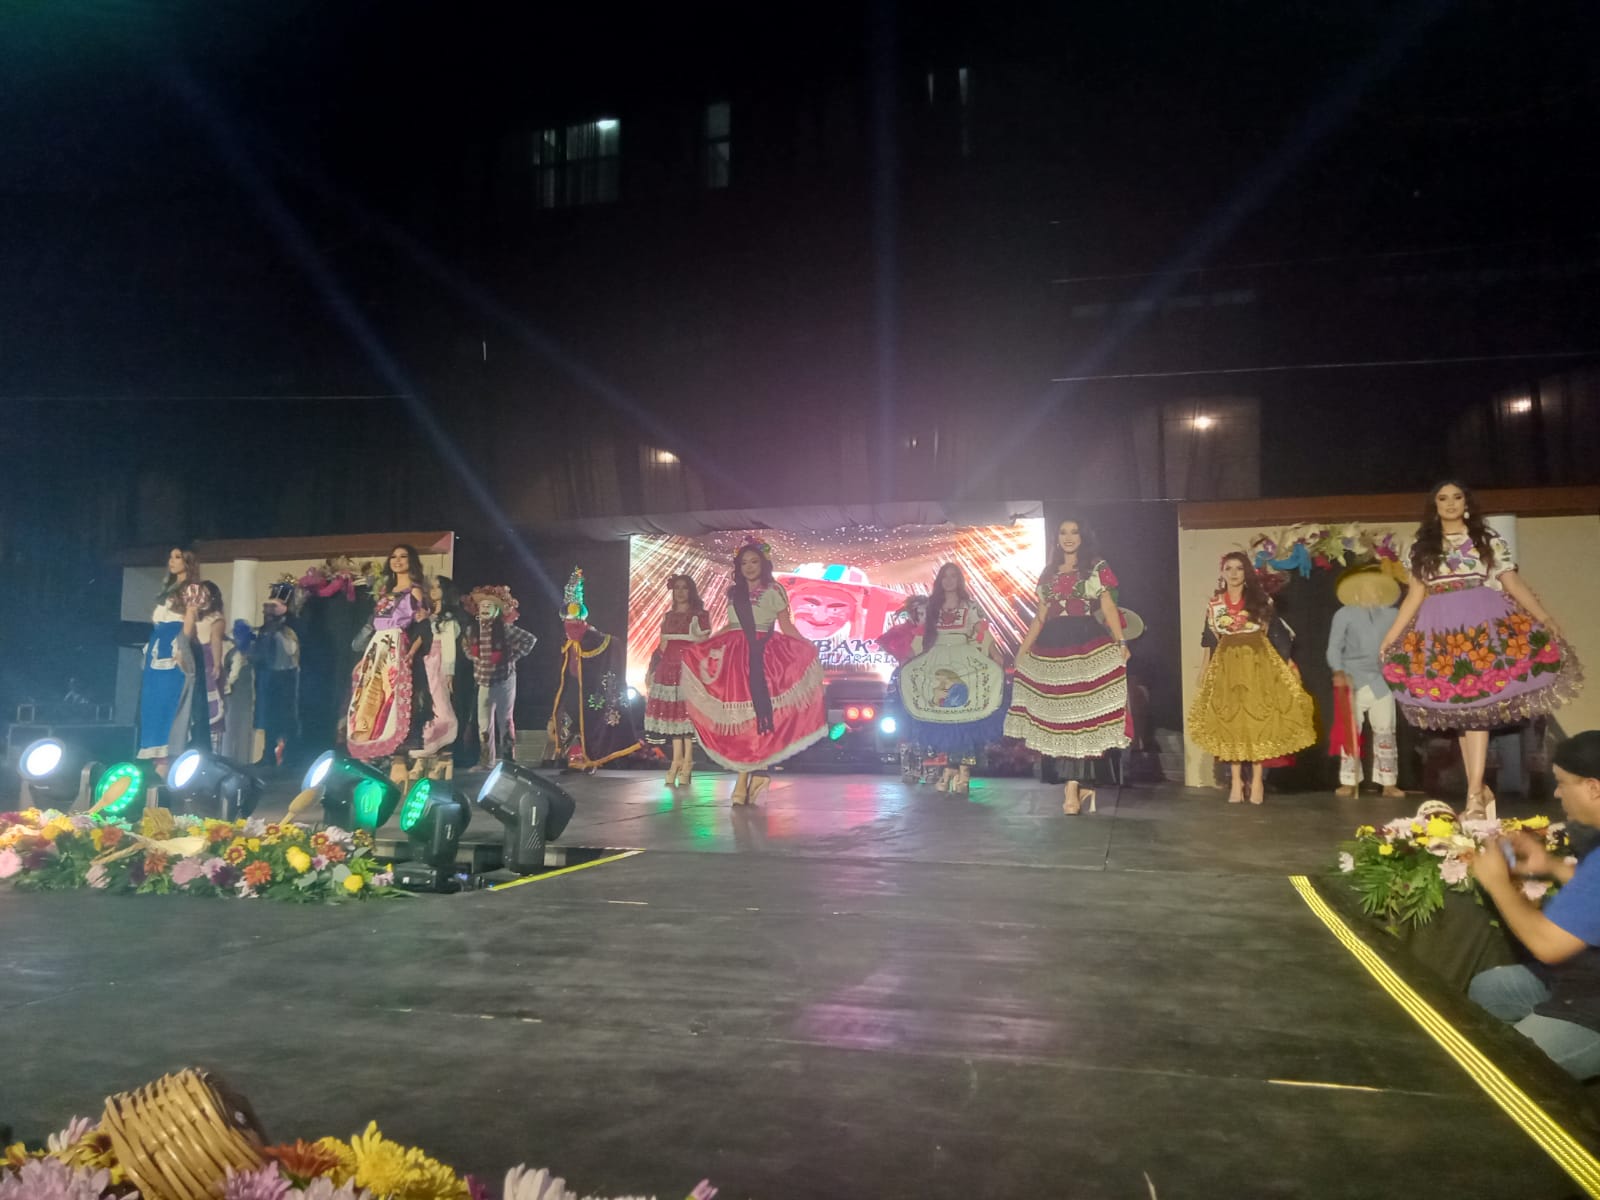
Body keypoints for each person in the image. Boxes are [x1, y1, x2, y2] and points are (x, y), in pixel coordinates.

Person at [1381, 481, 1582, 819]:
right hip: (1440, 628)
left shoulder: (1486, 540)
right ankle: (1478, 790)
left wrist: (1544, 617)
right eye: (1443, 498)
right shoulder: (1422, 545)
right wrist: (1391, 636)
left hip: (1480, 623)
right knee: (1463, 710)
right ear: (1434, 505)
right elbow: (1415, 595)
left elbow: (1511, 582)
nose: (1450, 503)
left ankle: (1475, 792)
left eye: (1457, 497)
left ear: (1466, 502)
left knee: (1475, 705)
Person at [1466, 732, 1600, 1080]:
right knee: (1489, 989)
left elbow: (1547, 945)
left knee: (1506, 1066)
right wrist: (1550, 866)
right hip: (1582, 983)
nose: (1556, 793)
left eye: (1562, 783)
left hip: (1593, 1007)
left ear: (1593, 788)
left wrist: (1498, 883)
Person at [679, 543, 828, 804]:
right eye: (744, 563)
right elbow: (731, 625)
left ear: (763, 564)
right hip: (734, 657)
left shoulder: (774, 590)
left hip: (762, 655)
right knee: (740, 718)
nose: (749, 567)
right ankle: (755, 774)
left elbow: (785, 625)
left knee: (757, 716)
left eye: (754, 562)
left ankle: (746, 779)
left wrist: (806, 646)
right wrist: (706, 644)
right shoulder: (734, 592)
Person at [1005, 517, 1131, 815]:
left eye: (1074, 531)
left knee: (1081, 717)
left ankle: (1074, 787)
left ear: (1082, 536)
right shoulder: (1048, 573)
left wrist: (1121, 642)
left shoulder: (1095, 567)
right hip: (1052, 643)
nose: (1068, 537)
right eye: (1063, 532)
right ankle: (1076, 786)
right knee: (1058, 717)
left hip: (1085, 640)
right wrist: (1021, 652)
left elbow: (1108, 605)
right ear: (1057, 538)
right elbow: (1040, 616)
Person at [1188, 552, 1315, 805]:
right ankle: (1236, 781)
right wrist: (1204, 669)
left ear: (1246, 572)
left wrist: (1286, 663)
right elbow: (1210, 639)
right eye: (1229, 568)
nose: (1234, 573)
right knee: (1231, 720)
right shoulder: (1215, 604)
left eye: (1239, 568)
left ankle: (1257, 780)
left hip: (1257, 662)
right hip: (1227, 664)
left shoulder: (1260, 600)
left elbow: (1275, 635)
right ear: (1222, 572)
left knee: (1258, 719)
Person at [900, 563, 1008, 796]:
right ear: (940, 581)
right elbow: (921, 635)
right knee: (944, 718)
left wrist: (995, 653)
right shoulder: (933, 607)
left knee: (965, 717)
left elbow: (982, 632)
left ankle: (963, 772)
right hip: (937, 659)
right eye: (945, 576)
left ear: (959, 580)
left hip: (964, 658)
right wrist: (910, 656)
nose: (949, 580)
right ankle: (950, 769)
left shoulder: (970, 606)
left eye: (953, 576)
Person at [347, 544, 433, 785]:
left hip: (397, 646)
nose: (397, 560)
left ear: (411, 561)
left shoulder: (415, 592)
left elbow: (422, 627)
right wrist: (364, 659)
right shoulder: (385, 592)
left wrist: (410, 653)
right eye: (393, 556)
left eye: (403, 556)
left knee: (394, 700)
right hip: (377, 648)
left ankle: (399, 759)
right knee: (371, 700)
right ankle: (374, 757)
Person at [1326, 563, 1404, 799]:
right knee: (1350, 732)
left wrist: (1397, 670)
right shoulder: (1344, 614)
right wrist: (1339, 671)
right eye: (1367, 587)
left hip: (1382, 680)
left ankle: (1388, 783)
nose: (1372, 592)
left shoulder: (1392, 615)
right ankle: (1349, 781)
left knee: (1385, 729)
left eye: (1376, 588)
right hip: (1353, 679)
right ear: (1358, 590)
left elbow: (1402, 645)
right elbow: (1334, 648)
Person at [136, 547, 205, 772]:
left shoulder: (192, 588)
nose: (172, 561)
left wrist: (182, 647)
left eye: (178, 557)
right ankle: (157, 763)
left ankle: (168, 762)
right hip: (157, 646)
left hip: (174, 645)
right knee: (153, 704)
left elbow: (189, 620)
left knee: (170, 703)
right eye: (170, 557)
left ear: (188, 561)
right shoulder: (168, 588)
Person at [644, 573, 711, 787]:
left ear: (691, 591)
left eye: (684, 587)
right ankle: (676, 761)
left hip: (688, 668)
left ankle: (687, 761)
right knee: (673, 717)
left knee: (686, 716)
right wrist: (653, 668)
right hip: (668, 669)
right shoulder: (668, 616)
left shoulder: (699, 615)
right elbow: (662, 646)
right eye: (677, 588)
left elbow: (704, 644)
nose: (680, 592)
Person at [251, 582, 301, 768]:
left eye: (274, 606)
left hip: (286, 678)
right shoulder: (265, 629)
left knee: (285, 718)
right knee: (268, 717)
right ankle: (268, 756)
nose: (268, 611)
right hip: (268, 677)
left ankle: (288, 758)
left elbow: (291, 651)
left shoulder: (290, 628)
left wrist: (278, 631)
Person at [431, 576, 479, 769]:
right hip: (434, 666)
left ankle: (456, 750)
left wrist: (449, 672)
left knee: (456, 707)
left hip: (454, 669)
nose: (432, 590)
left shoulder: (452, 617)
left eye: (437, 587)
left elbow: (451, 646)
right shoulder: (431, 614)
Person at [193, 581, 228, 752]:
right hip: (192, 658)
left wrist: (216, 664)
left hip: (206, 660)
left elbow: (215, 640)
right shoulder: (191, 615)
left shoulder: (216, 618)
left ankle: (212, 751)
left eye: (206, 594)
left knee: (209, 705)